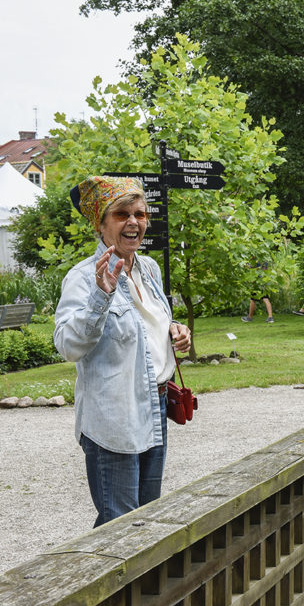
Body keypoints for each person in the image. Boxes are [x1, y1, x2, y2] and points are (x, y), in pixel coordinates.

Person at [54, 176, 192, 527]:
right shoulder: (83, 278)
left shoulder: (149, 269)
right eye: (121, 214)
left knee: (146, 519)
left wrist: (175, 331)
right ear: (101, 224)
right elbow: (68, 346)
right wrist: (100, 298)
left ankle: (140, 584)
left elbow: (149, 325)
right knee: (120, 524)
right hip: (113, 416)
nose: (134, 222)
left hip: (155, 405)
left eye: (140, 214)